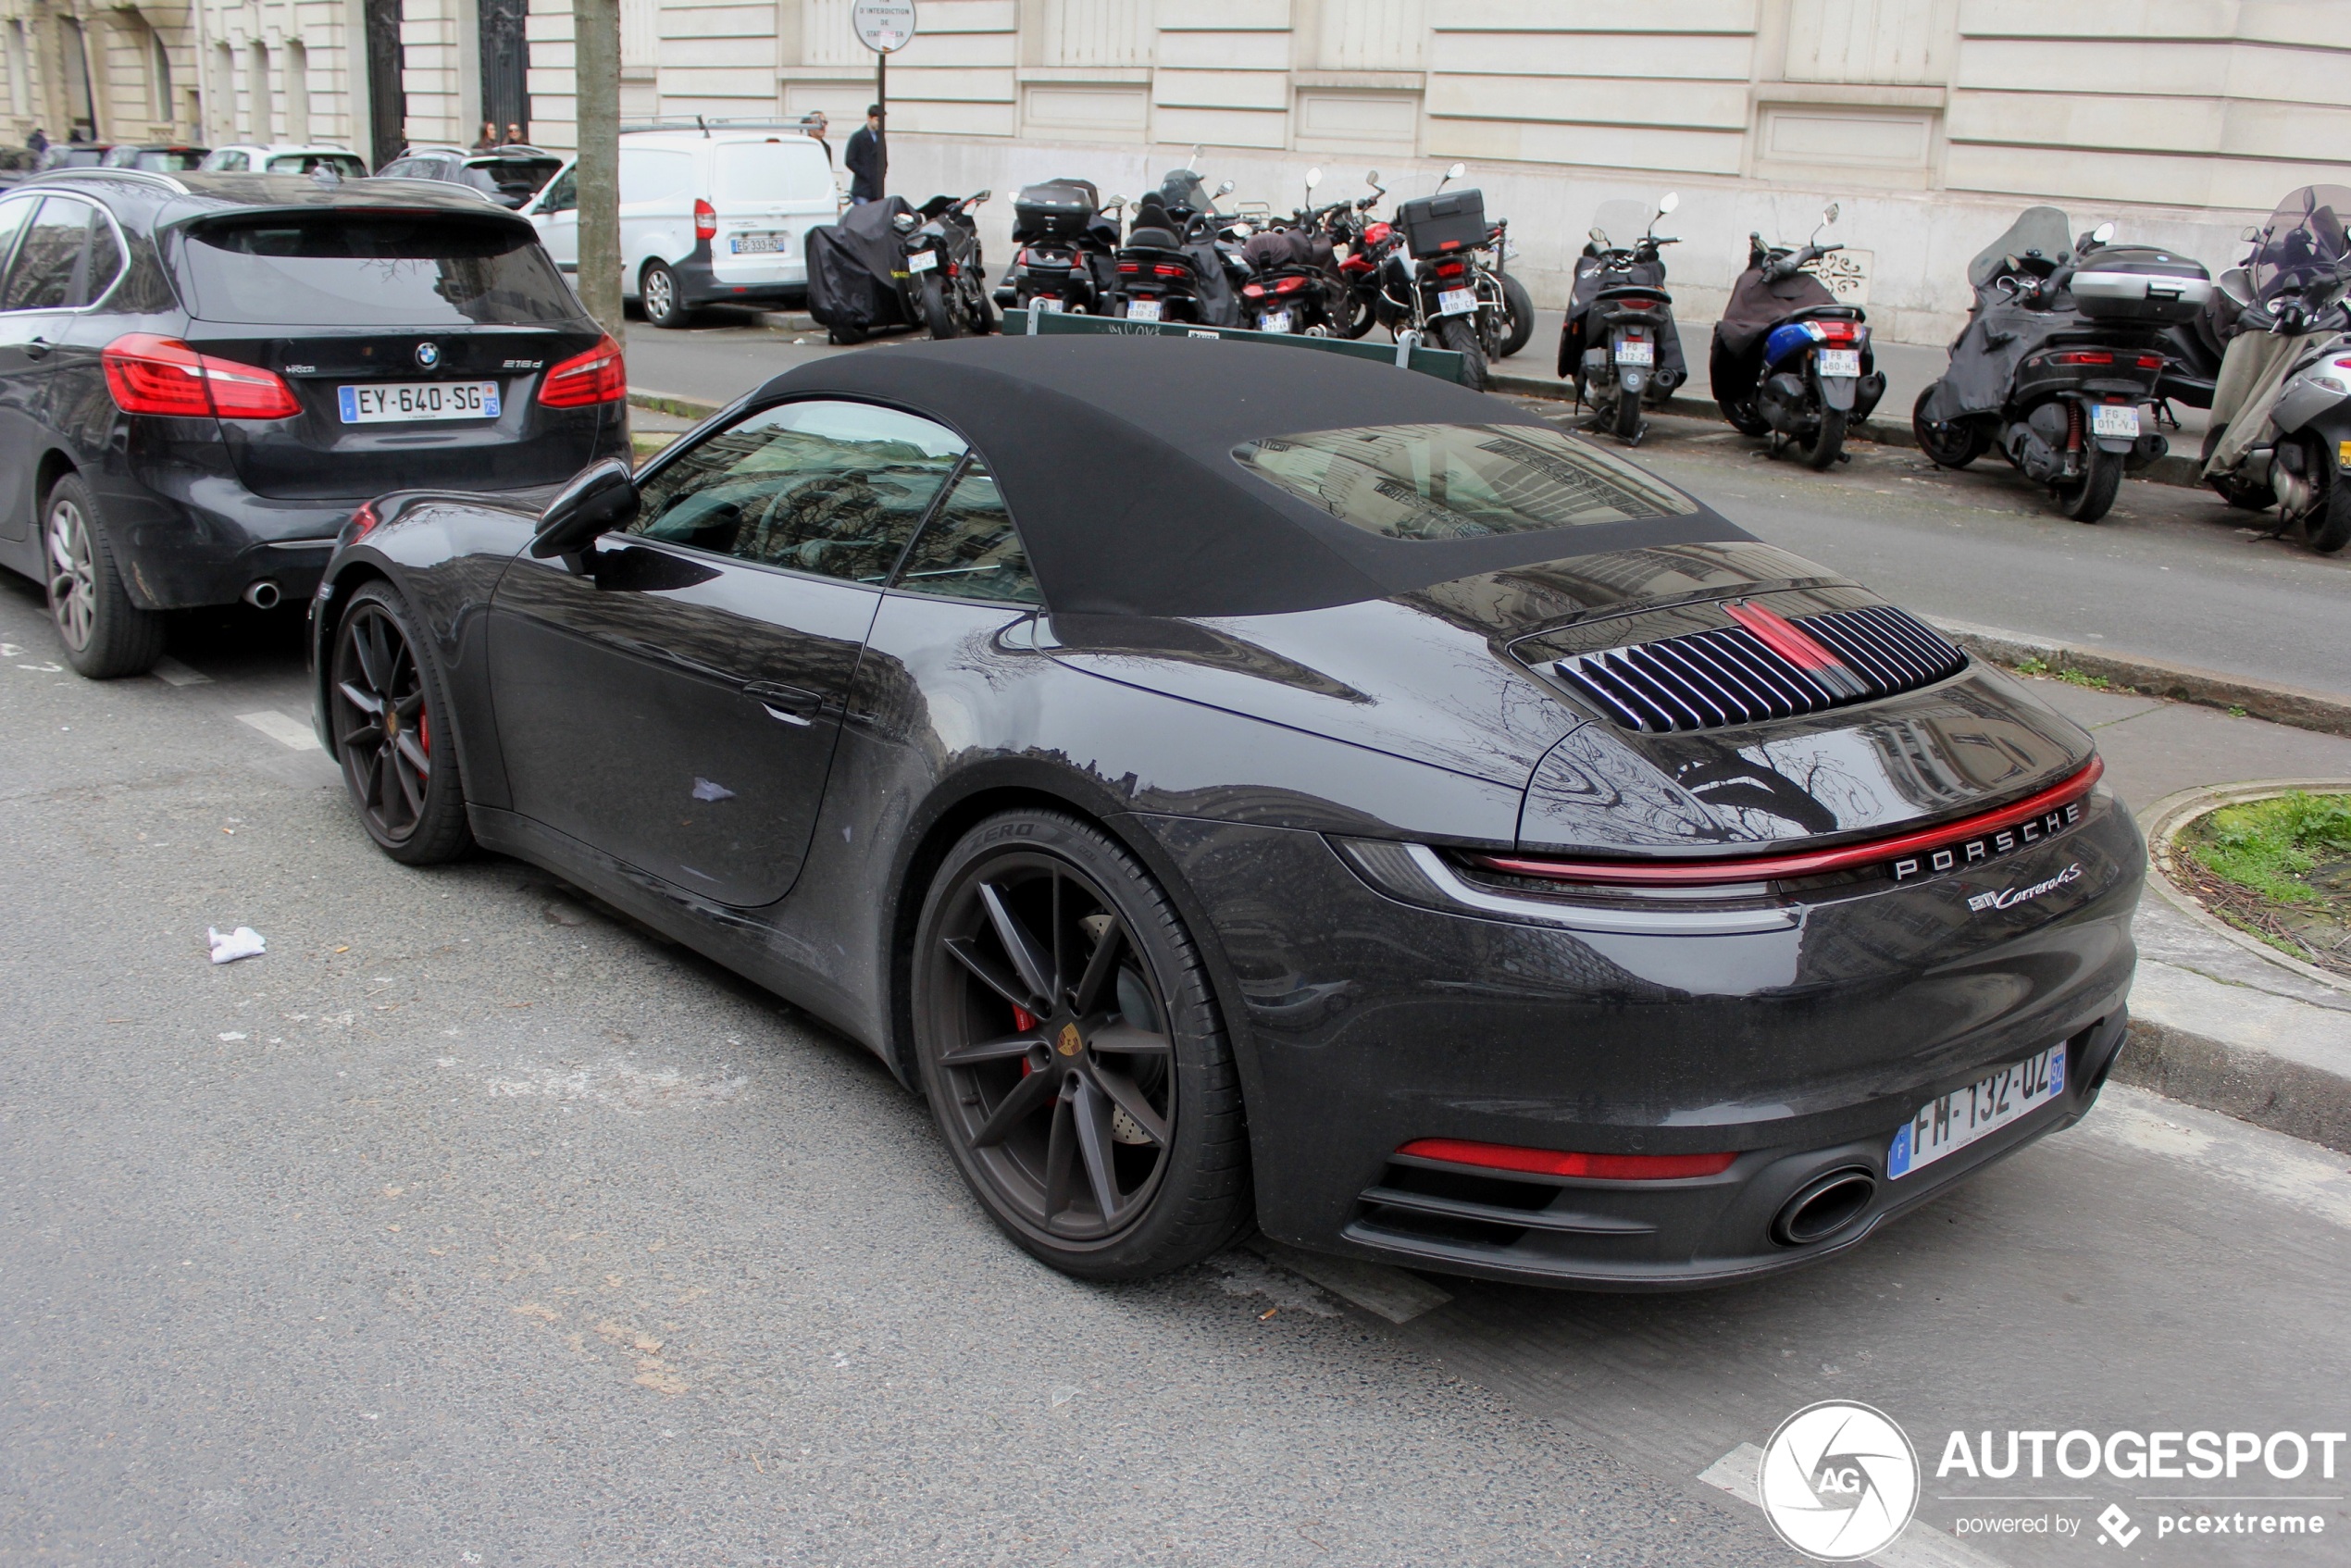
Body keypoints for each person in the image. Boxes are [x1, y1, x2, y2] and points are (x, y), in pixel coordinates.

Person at [844, 105, 884, 205]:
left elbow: (884, 160)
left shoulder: (880, 138)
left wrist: (881, 174)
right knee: (863, 216)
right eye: (877, 120)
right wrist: (865, 172)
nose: (879, 123)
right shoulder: (857, 137)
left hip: (876, 190)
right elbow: (849, 160)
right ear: (869, 118)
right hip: (862, 189)